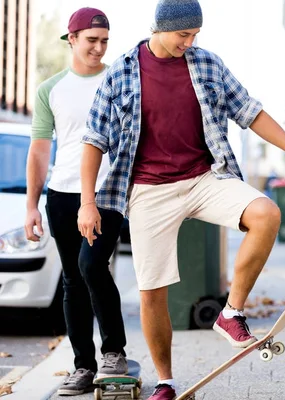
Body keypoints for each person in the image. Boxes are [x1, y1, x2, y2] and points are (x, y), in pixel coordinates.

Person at [77, 0, 285, 398]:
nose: (189, 43)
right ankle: (166, 380)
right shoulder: (123, 71)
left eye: (195, 35)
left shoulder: (205, 64)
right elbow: (94, 140)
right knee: (152, 290)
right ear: (161, 27)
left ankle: (231, 313)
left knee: (266, 213)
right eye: (183, 35)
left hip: (204, 178)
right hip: (148, 189)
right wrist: (87, 202)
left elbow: (250, 112)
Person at [24, 7, 128, 396]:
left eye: (104, 41)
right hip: (62, 195)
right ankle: (83, 366)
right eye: (91, 41)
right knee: (72, 280)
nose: (99, 48)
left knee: (92, 266)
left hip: (107, 193)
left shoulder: (119, 81)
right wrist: (32, 205)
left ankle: (114, 352)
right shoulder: (51, 89)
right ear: (72, 39)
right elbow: (38, 151)